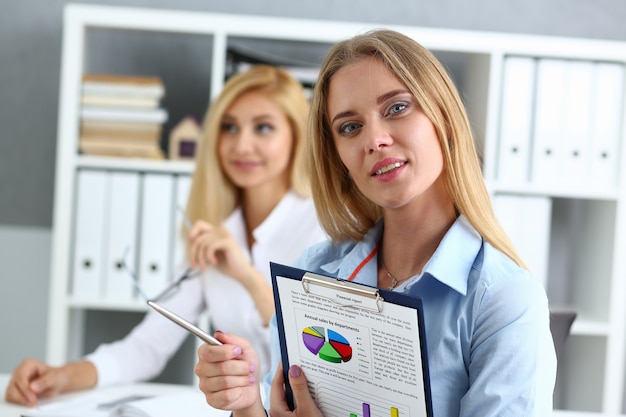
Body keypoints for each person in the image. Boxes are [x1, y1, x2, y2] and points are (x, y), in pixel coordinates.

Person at [193, 29, 557, 417]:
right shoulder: (311, 275)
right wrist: (246, 403)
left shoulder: (503, 299)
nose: (375, 140)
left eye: (397, 108)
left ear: (444, 117)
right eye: (350, 127)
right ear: (339, 159)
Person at [5, 64, 327, 407]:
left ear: (296, 136)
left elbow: (315, 350)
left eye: (263, 128)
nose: (241, 145)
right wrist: (60, 376)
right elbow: (148, 347)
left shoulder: (320, 226)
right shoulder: (213, 230)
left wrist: (247, 277)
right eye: (229, 127)